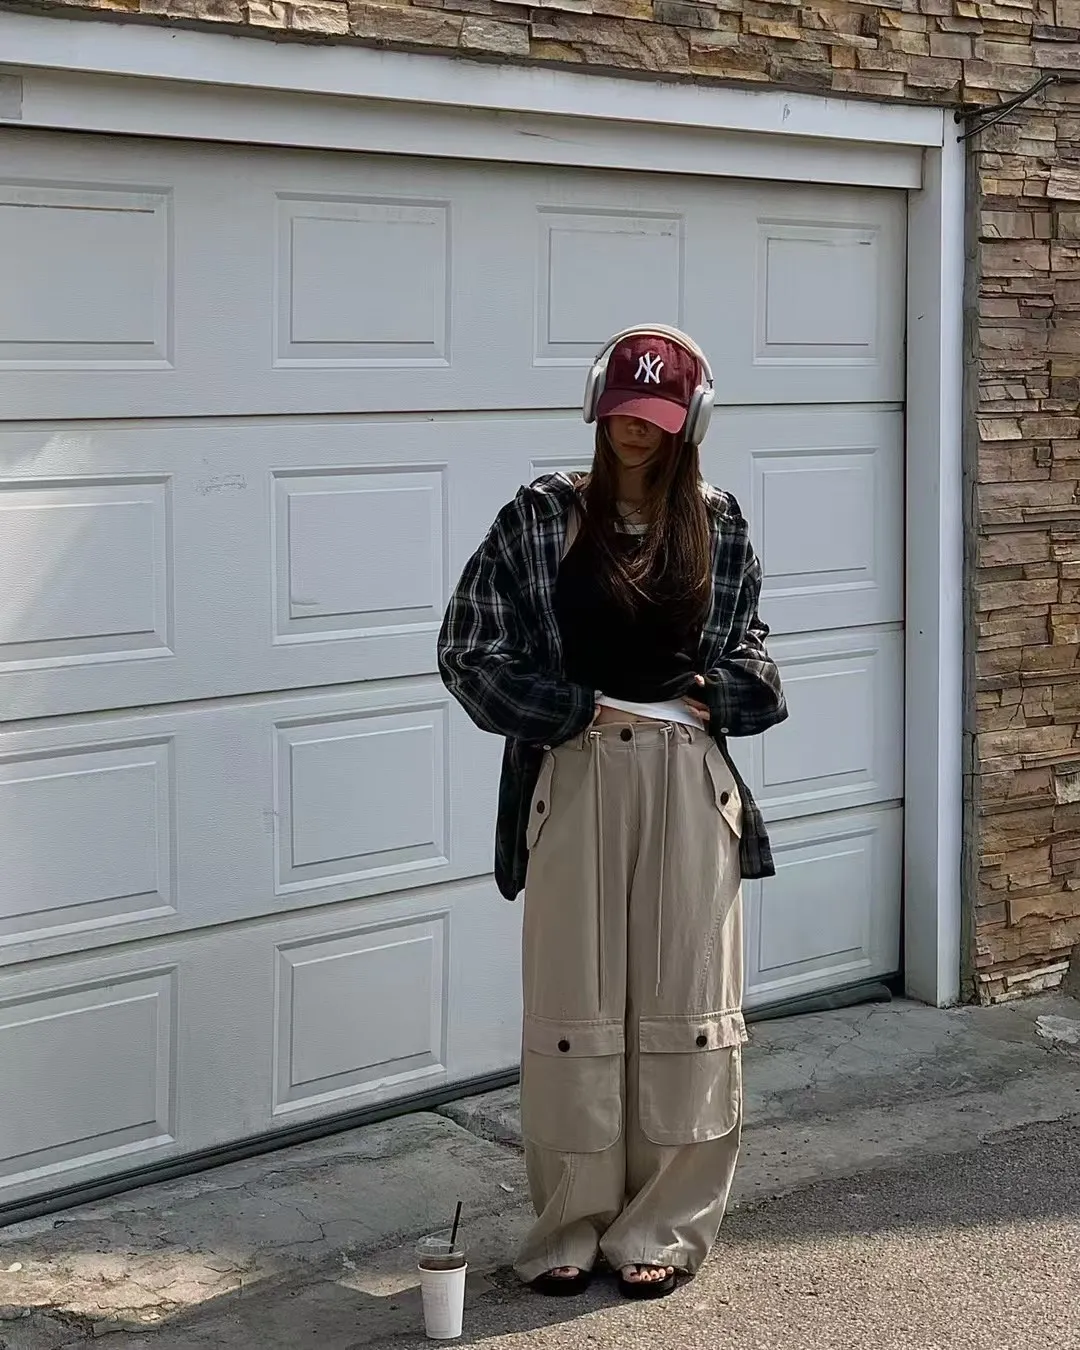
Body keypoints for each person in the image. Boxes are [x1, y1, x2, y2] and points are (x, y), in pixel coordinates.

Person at [437, 325, 787, 1300]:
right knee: (573, 1007)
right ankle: (568, 1222)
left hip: (689, 780)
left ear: (691, 421)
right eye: (625, 410)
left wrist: (724, 692)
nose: (638, 429)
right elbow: (468, 649)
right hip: (577, 770)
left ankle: (662, 1225)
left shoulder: (717, 521)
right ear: (600, 406)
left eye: (658, 415)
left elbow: (754, 656)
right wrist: (566, 709)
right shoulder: (540, 518)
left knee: (687, 1005)